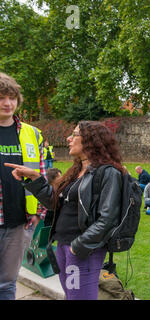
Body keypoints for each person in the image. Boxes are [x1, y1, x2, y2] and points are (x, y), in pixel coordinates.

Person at [6, 121, 126, 300]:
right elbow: (57, 204)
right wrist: (35, 178)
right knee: (71, 295)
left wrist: (77, 248)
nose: (68, 138)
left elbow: (108, 219)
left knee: (79, 297)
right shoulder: (77, 170)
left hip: (82, 250)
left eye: (74, 134)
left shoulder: (108, 172)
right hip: (62, 246)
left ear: (90, 141)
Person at [0, 72, 47, 300]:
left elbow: (40, 176)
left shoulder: (31, 133)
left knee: (7, 283)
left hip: (19, 223)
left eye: (12, 97)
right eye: (1, 97)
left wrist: (38, 213)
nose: (8, 103)